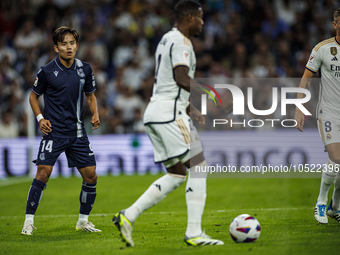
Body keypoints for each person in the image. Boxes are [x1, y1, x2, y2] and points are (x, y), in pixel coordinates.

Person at [112, 0, 231, 246]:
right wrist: (210, 92)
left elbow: (168, 83)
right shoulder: (182, 42)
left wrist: (192, 108)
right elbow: (179, 78)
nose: (202, 23)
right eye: (200, 18)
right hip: (169, 114)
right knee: (199, 166)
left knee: (177, 174)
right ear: (189, 18)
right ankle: (194, 233)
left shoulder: (166, 39)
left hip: (158, 112)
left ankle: (128, 215)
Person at [21, 27, 101, 235]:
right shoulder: (47, 71)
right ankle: (28, 222)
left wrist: (95, 114)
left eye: (72, 43)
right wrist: (40, 118)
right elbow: (33, 96)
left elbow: (91, 96)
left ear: (77, 45)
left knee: (91, 176)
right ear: (56, 47)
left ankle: (83, 221)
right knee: (43, 173)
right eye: (64, 44)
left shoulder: (85, 69)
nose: (69, 47)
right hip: (53, 133)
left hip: (77, 133)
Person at [294, 8, 340, 224]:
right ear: (335, 24)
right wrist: (299, 108)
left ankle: (335, 207)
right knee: (336, 157)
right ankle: (321, 201)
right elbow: (306, 80)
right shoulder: (322, 49)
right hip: (329, 111)